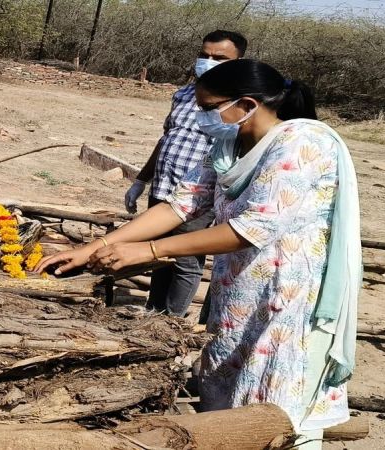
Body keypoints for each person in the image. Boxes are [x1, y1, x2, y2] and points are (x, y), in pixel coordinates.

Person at [36, 59, 361, 449]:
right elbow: (181, 205)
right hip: (237, 293)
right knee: (228, 397)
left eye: (209, 108)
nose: (202, 118)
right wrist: (92, 248)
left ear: (246, 104)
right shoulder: (227, 146)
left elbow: (252, 228)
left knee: (276, 403)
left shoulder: (301, 142)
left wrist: (149, 250)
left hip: (287, 298)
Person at [125, 29, 248, 318]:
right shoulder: (183, 95)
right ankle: (153, 312)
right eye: (204, 55)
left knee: (185, 259)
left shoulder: (237, 105)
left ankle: (172, 320)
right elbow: (166, 139)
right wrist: (141, 180)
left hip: (198, 197)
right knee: (157, 250)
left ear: (238, 62)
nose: (209, 62)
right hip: (164, 186)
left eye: (219, 58)